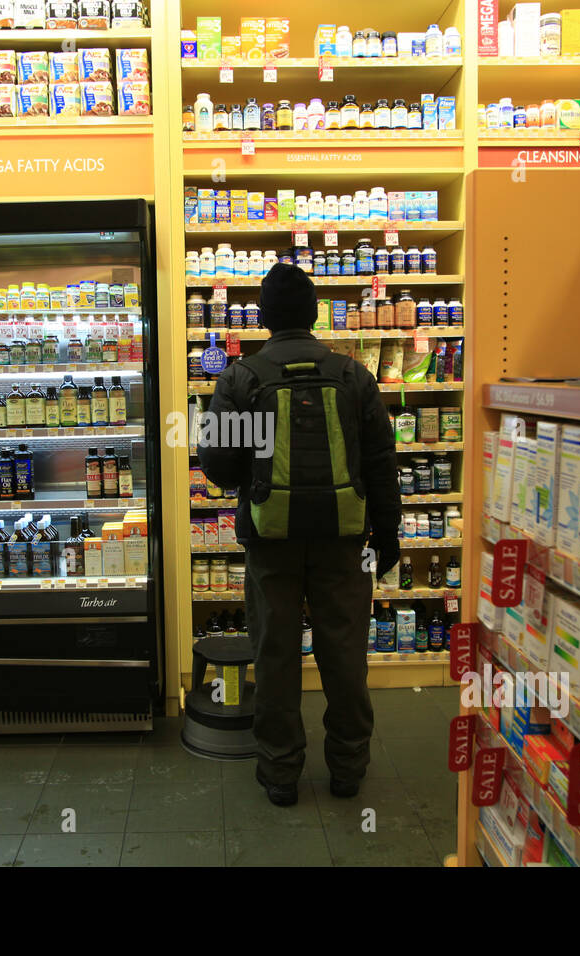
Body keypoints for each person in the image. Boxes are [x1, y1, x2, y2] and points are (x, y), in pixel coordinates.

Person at [197, 262, 401, 806]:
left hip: (271, 539)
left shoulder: (242, 377)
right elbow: (382, 459)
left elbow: (215, 465)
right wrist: (389, 531)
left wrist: (259, 474)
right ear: (313, 314)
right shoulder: (353, 375)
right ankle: (348, 769)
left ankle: (281, 774)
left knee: (276, 654)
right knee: (344, 653)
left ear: (263, 317)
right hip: (345, 539)